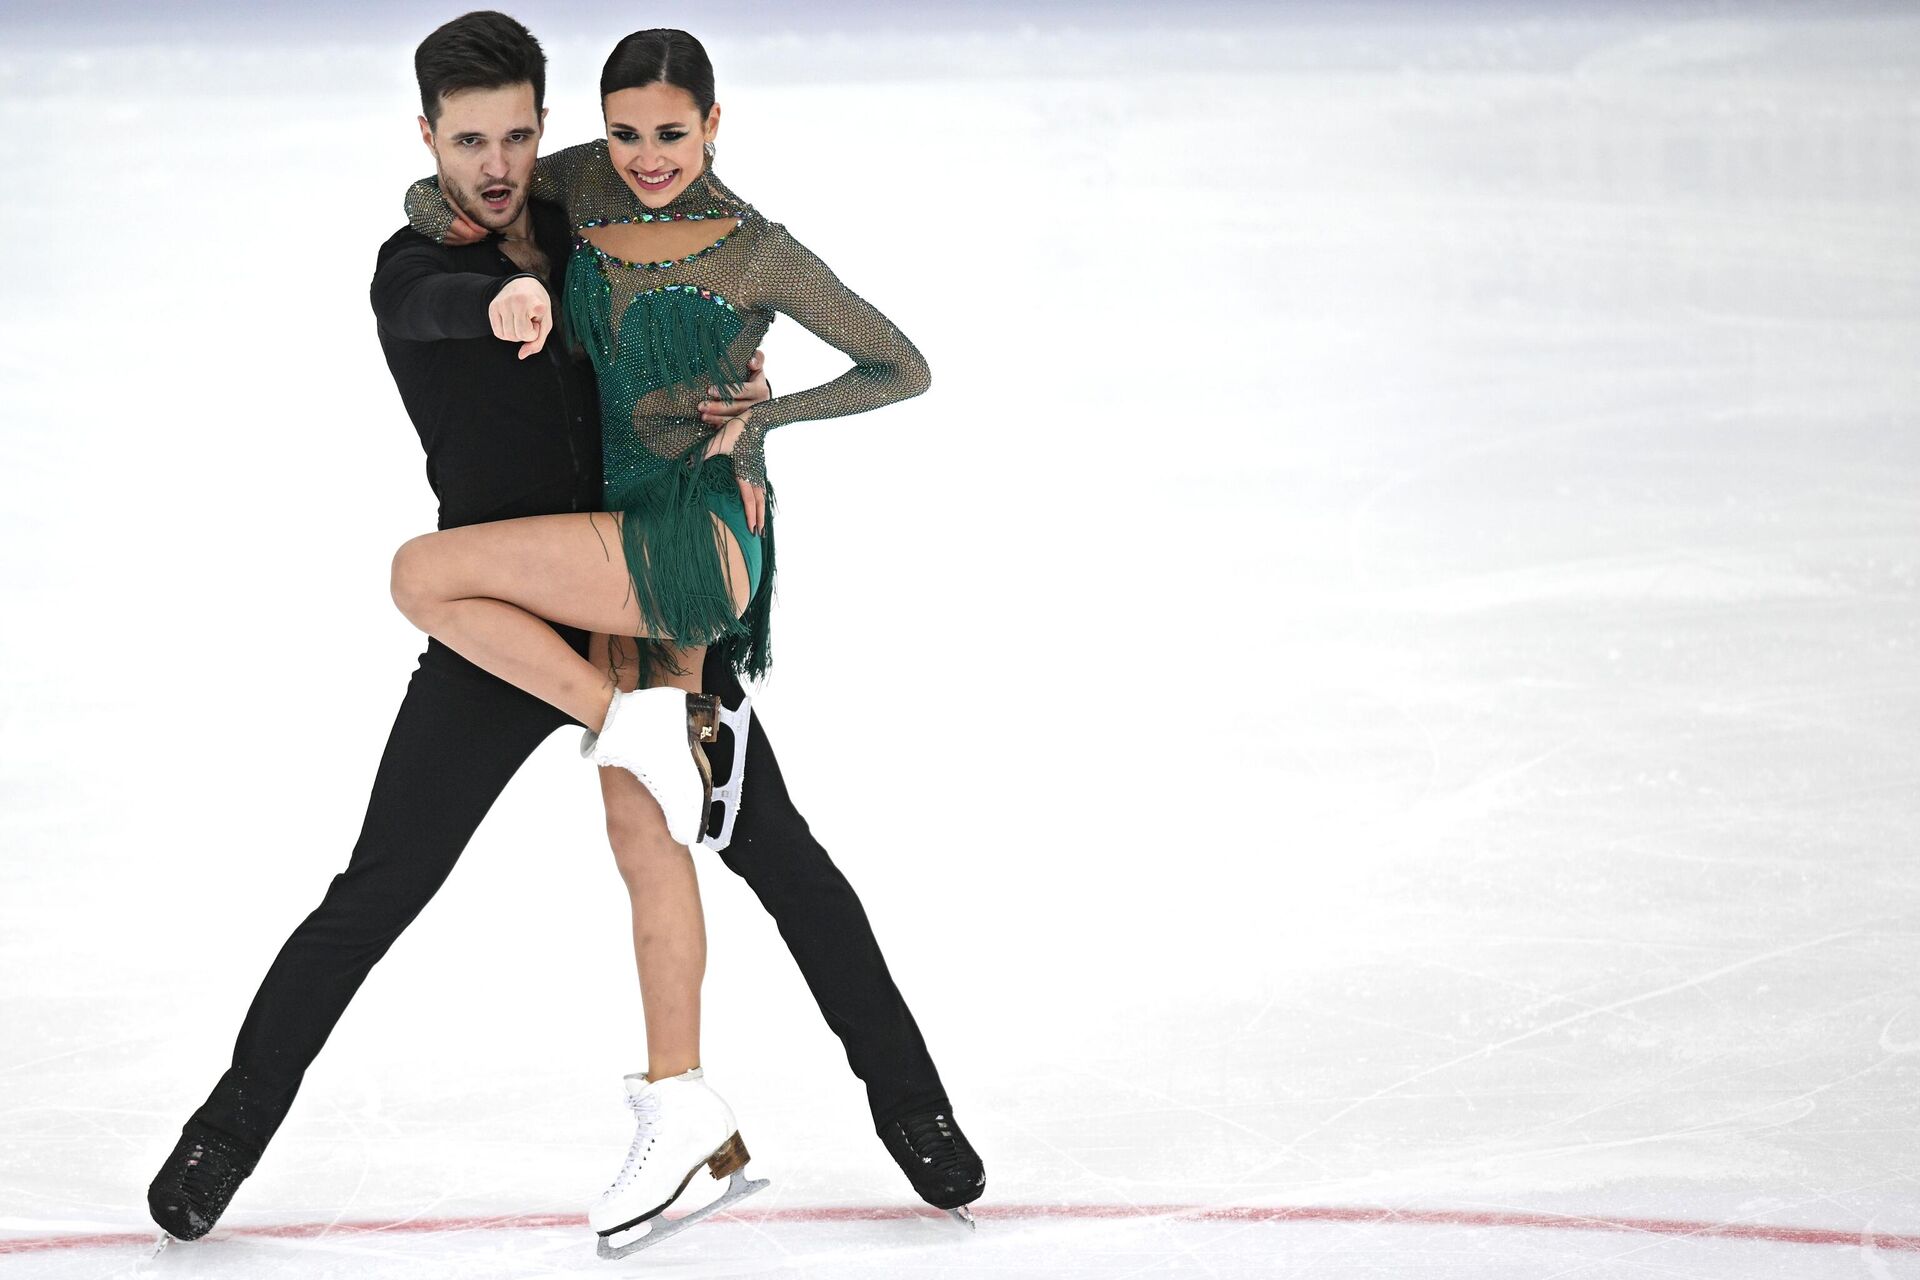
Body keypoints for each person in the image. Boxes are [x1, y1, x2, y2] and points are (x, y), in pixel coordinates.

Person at [146, 11, 981, 1251]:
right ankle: (226, 1128)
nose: (497, 163)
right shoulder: (412, 264)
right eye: (469, 139)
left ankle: (914, 1107)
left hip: (639, 599)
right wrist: (504, 303)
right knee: (381, 883)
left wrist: (749, 410)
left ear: (548, 131)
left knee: (779, 857)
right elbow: (434, 300)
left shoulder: (586, 203)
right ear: (425, 136)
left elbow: (707, 224)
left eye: (519, 136)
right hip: (508, 627)